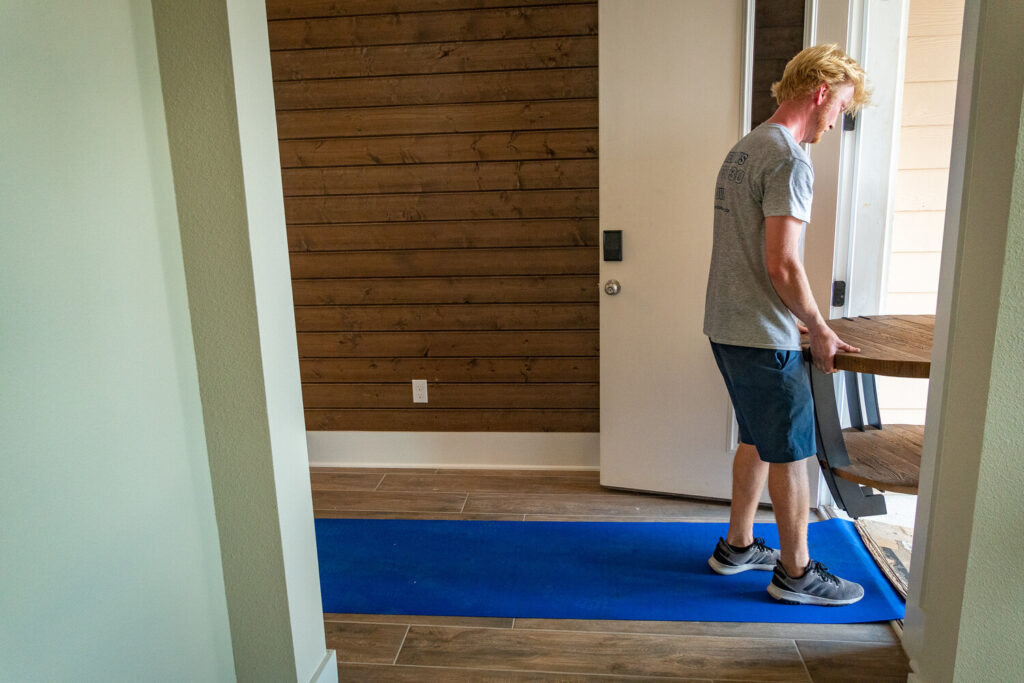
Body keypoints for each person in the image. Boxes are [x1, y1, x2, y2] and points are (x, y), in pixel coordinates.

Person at [702, 44, 871, 605]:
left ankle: (738, 546)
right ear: (821, 91)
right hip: (760, 334)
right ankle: (796, 576)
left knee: (756, 435)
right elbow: (783, 263)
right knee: (793, 451)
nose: (838, 118)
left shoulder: (745, 148)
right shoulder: (790, 159)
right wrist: (818, 326)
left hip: (728, 324)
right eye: (842, 104)